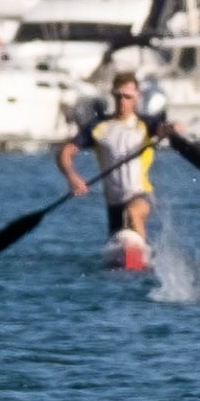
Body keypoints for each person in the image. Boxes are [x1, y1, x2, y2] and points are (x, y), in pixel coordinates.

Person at [56, 72, 163, 269]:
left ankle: (142, 257)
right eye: (118, 96)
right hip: (113, 202)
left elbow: (166, 129)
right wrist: (72, 178)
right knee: (117, 256)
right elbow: (64, 153)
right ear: (113, 96)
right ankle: (128, 258)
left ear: (137, 96)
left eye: (128, 96)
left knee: (132, 213)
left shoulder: (147, 125)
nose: (122, 101)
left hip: (140, 194)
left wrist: (173, 128)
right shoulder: (98, 127)